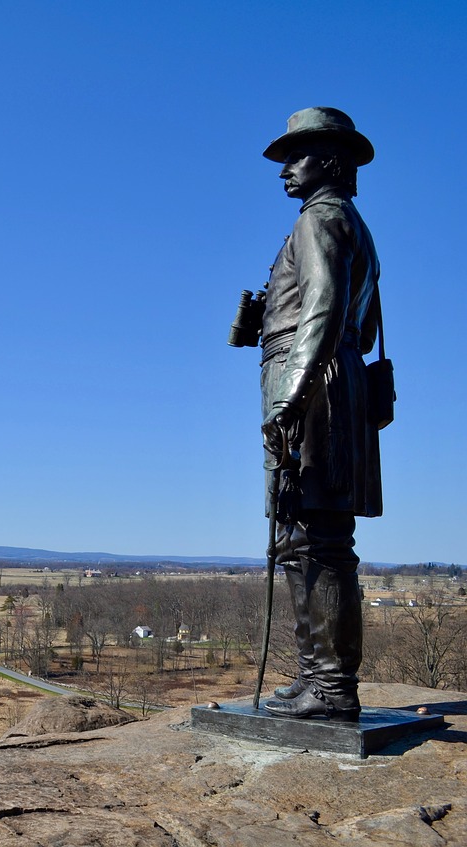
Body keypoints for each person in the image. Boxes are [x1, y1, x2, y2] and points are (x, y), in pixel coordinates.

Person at [257, 107, 382, 722]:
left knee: (320, 539)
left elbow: (327, 309)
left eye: (295, 154)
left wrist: (289, 397)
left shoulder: (319, 220)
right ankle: (314, 677)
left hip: (315, 387)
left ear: (329, 161)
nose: (283, 168)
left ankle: (331, 687)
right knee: (301, 538)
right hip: (334, 382)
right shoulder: (351, 223)